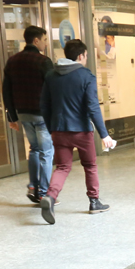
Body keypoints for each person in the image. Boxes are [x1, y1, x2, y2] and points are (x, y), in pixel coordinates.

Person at [39, 39, 115, 224]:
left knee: (63, 167)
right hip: (81, 131)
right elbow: (93, 107)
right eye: (87, 56)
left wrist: (52, 128)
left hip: (59, 129)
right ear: (81, 56)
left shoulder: (51, 75)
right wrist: (104, 134)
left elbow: (44, 105)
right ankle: (94, 201)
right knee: (90, 166)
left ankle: (50, 196)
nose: (86, 59)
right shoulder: (86, 75)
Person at [3, 25, 54, 203]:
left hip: (23, 113)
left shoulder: (12, 61)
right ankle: (45, 192)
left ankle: (33, 185)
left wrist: (12, 117)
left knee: (34, 149)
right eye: (45, 40)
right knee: (46, 152)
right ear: (36, 40)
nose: (46, 44)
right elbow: (53, 89)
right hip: (42, 114)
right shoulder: (43, 61)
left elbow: (6, 90)